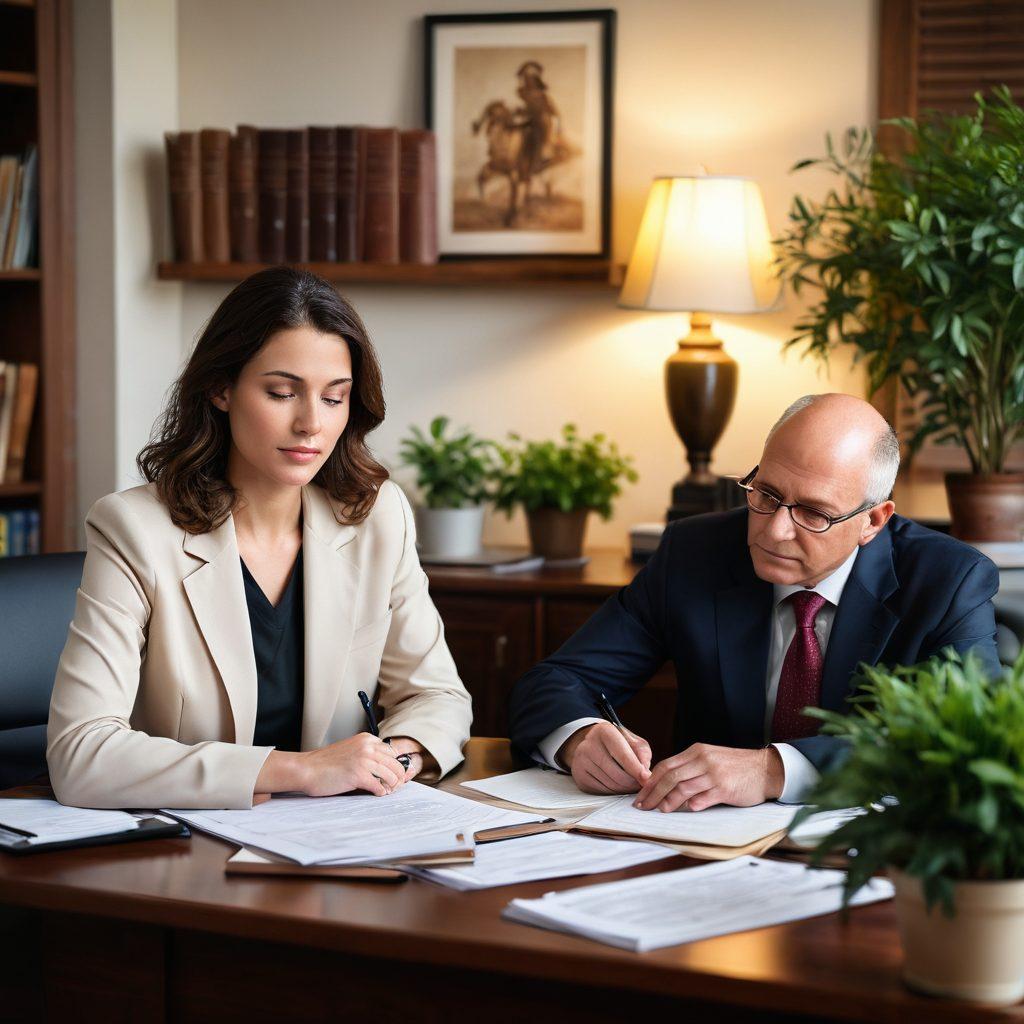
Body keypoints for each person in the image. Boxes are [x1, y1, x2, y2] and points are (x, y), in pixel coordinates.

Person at [47, 267, 472, 809]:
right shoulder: (135, 531)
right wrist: (299, 771)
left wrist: (390, 760)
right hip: (186, 855)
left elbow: (436, 694)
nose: (310, 424)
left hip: (337, 845)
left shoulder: (376, 516)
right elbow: (80, 754)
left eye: (334, 398)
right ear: (221, 388)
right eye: (281, 393)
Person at [508, 393, 1000, 812]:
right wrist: (578, 738)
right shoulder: (694, 553)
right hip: (699, 848)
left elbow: (962, 744)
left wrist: (773, 771)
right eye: (765, 493)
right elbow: (553, 682)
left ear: (874, 521)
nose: (774, 529)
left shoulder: (947, 581)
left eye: (813, 513)